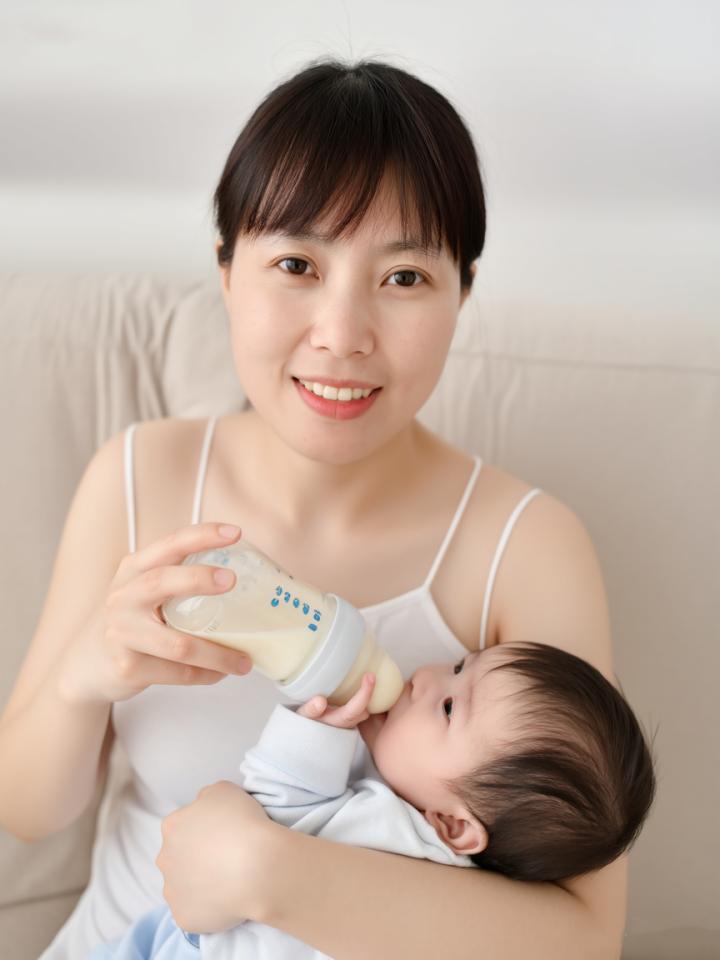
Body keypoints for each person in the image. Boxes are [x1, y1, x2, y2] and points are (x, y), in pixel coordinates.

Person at [0, 57, 630, 959]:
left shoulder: (526, 546)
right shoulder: (139, 474)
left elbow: (583, 938)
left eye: (403, 277)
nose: (341, 336)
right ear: (226, 270)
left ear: (463, 293)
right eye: (296, 264)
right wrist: (85, 676)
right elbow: (27, 811)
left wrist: (271, 873)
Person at [88, 640, 655, 959]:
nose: (426, 678)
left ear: (454, 827)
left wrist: (315, 732)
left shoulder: (389, 835)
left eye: (449, 707)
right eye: (460, 666)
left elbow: (278, 803)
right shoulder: (432, 871)